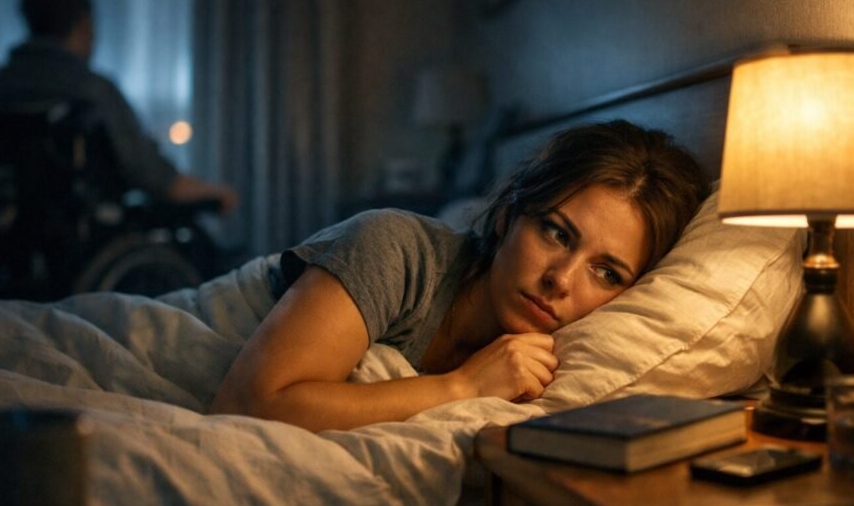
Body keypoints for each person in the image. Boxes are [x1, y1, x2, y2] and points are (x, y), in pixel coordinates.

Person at [212, 120, 711, 432]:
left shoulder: (566, 369)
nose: (561, 279)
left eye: (605, 272)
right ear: (505, 217)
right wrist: (462, 388)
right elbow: (248, 404)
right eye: (557, 234)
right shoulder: (395, 250)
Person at [0, 0, 237, 210]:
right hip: (78, 230)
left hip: (2, 231)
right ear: (83, 25)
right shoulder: (91, 91)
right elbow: (150, 175)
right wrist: (213, 192)